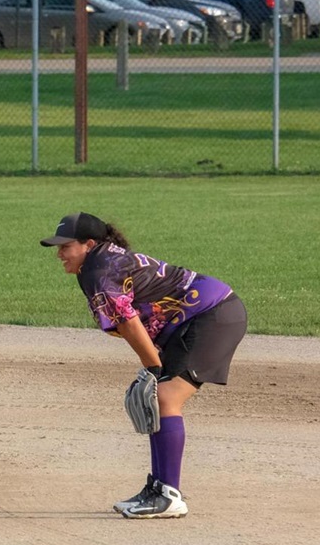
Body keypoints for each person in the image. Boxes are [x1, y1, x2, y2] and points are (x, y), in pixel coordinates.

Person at [40, 212, 247, 519]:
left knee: (164, 397)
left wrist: (152, 365)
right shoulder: (99, 263)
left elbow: (129, 323)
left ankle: (168, 496)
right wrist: (154, 364)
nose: (59, 254)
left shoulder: (99, 270)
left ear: (89, 244)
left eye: (65, 246)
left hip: (213, 315)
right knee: (157, 398)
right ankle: (159, 488)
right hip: (195, 318)